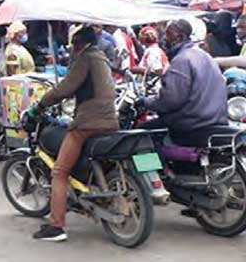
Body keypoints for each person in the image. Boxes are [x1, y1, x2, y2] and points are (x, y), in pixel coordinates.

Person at [32, 26, 118, 242]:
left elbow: (65, 89)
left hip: (88, 122)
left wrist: (40, 104)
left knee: (60, 172)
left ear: (78, 44)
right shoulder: (102, 57)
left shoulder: (85, 58)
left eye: (73, 45)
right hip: (110, 120)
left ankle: (56, 226)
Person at [136, 20, 229, 148]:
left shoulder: (182, 60)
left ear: (180, 37)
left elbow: (170, 100)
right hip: (214, 121)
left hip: (192, 125)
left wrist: (145, 102)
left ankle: (155, 167)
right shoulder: (204, 56)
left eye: (168, 34)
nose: (164, 39)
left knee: (141, 135)